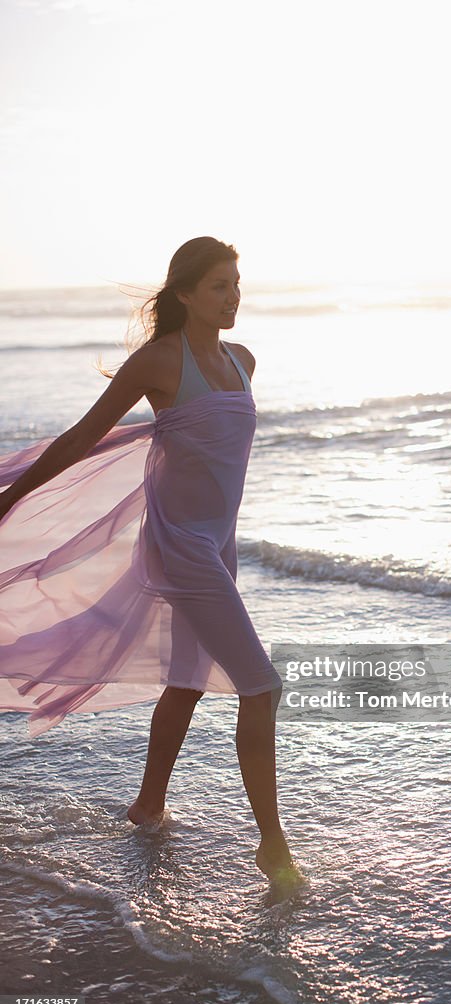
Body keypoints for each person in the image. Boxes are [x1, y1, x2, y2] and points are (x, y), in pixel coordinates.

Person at [0, 236, 305, 892]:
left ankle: (147, 807)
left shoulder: (244, 360)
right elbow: (84, 437)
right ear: (186, 294)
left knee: (189, 678)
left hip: (218, 545)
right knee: (263, 686)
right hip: (182, 546)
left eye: (236, 283)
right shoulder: (160, 361)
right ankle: (272, 846)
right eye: (219, 285)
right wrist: (12, 496)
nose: (232, 296)